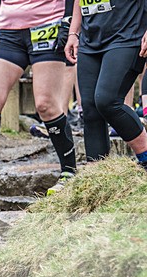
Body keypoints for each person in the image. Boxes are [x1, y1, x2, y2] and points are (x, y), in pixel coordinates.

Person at [0, 0, 77, 201]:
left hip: (48, 25)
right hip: (9, 29)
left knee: (46, 105)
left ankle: (69, 172)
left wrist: (68, 22)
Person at [64, 0, 147, 175]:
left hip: (127, 33)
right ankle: (97, 176)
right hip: (90, 37)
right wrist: (73, 33)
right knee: (90, 109)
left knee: (107, 101)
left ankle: (145, 156)